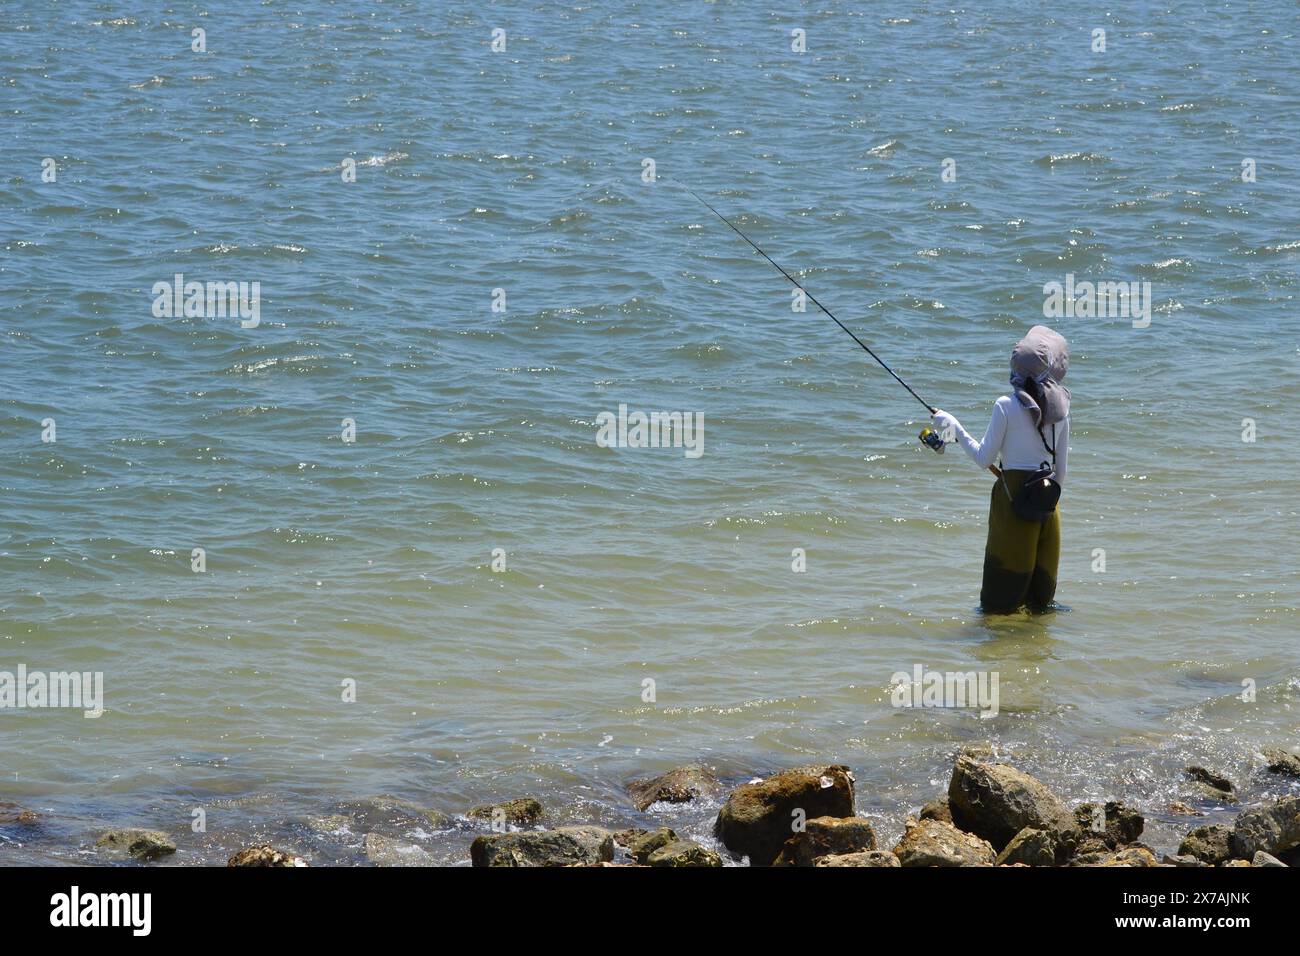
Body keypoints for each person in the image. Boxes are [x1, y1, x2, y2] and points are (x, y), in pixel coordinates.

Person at [930, 326, 1071, 614]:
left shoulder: (1005, 405)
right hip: (1048, 507)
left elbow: (984, 458)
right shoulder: (1062, 412)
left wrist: (953, 426)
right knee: (1039, 606)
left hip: (1014, 504)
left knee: (999, 608)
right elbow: (1061, 474)